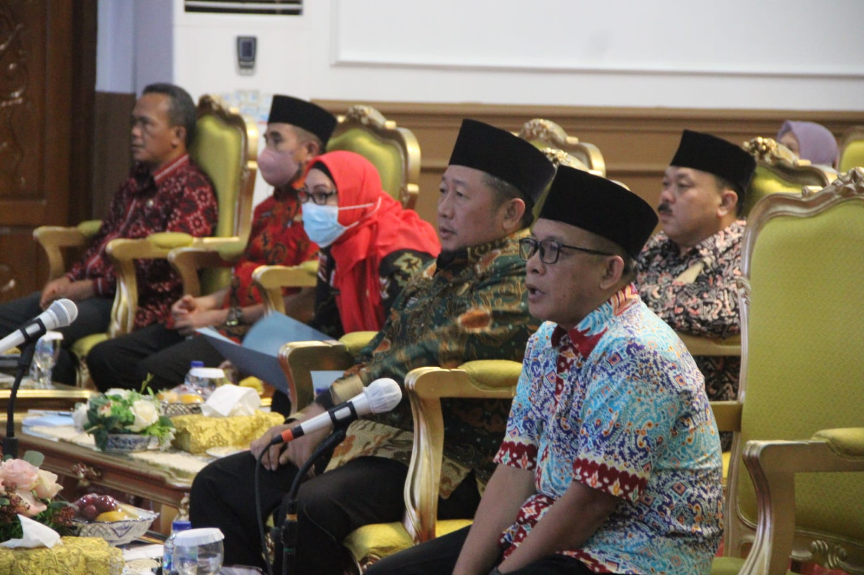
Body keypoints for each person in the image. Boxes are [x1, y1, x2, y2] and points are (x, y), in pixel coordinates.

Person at [189, 119, 556, 572]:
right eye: (442, 191)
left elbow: (421, 358)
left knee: (312, 507)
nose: (443, 208)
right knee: (220, 483)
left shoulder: (521, 278)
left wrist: (324, 412)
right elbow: (382, 349)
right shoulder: (440, 268)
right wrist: (307, 423)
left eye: (461, 196)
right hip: (371, 435)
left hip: (451, 457)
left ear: (511, 213)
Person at [370, 167, 723, 575]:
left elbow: (590, 504)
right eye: (534, 247)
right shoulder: (546, 339)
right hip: (552, 529)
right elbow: (515, 469)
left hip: (637, 553)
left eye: (554, 251)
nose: (533, 265)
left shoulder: (636, 350)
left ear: (609, 272)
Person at [86, 95, 335, 400]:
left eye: (276, 140)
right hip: (223, 318)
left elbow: (303, 302)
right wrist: (203, 303)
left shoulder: (317, 215)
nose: (267, 150)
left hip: (257, 332)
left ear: (309, 150)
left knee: (153, 372)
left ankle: (157, 422)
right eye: (266, 139)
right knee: (107, 357)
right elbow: (245, 277)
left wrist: (218, 317)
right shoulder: (267, 209)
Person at [0, 83, 218, 385]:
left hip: (132, 301)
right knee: (5, 321)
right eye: (134, 122)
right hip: (91, 293)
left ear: (177, 135)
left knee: (40, 335)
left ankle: (56, 401)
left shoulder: (192, 188)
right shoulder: (135, 181)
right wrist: (70, 279)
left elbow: (164, 269)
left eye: (146, 124)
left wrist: (89, 287)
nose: (135, 132)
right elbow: (102, 243)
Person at [636, 130, 756, 429]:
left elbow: (722, 312)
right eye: (666, 184)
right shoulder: (658, 246)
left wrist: (634, 302)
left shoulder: (748, 250)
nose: (666, 196)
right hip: (638, 397)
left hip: (703, 415)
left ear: (725, 202)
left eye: (682, 186)